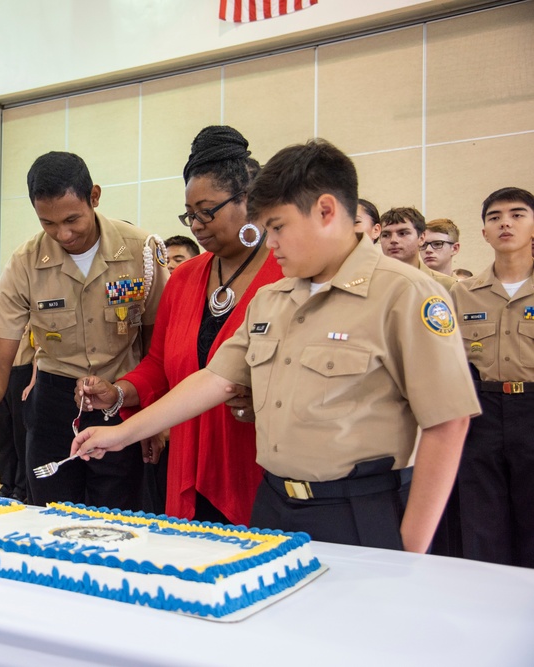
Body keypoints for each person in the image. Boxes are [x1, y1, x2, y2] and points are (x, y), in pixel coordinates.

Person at [72, 139, 480, 554]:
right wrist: (121, 433)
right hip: (272, 506)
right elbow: (215, 380)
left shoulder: (405, 295)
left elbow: (448, 424)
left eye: (279, 227)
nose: (270, 243)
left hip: (359, 509)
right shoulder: (274, 297)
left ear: (325, 211)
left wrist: (411, 552)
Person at [78, 125, 282, 525]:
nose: (196, 225)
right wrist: (119, 392)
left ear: (249, 201)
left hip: (254, 463)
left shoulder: (285, 273)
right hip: (187, 460)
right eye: (189, 215)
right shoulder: (186, 278)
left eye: (207, 212)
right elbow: (160, 365)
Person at [0, 151, 168, 510]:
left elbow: (155, 348)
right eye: (49, 224)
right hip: (52, 407)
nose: (64, 233)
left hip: (122, 401)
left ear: (95, 197)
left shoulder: (141, 252)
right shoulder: (24, 263)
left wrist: (154, 419)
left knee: (119, 519)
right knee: (49, 515)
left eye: (72, 219)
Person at [450, 186, 534, 568]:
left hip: (531, 408)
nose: (505, 223)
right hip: (481, 409)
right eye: (495, 217)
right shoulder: (462, 294)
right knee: (482, 515)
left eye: (517, 215)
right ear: (483, 232)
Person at [0, 323, 37, 502]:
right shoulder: (3, 324)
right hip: (4, 375)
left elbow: (37, 356)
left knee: (20, 435)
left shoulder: (33, 322)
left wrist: (32, 383)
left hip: (23, 374)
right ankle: (7, 484)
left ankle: (22, 487)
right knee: (3, 433)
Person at [379, 206, 456, 291]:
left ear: (422, 238)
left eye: (402, 233)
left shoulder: (447, 285)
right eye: (385, 235)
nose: (393, 240)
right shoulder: (372, 283)